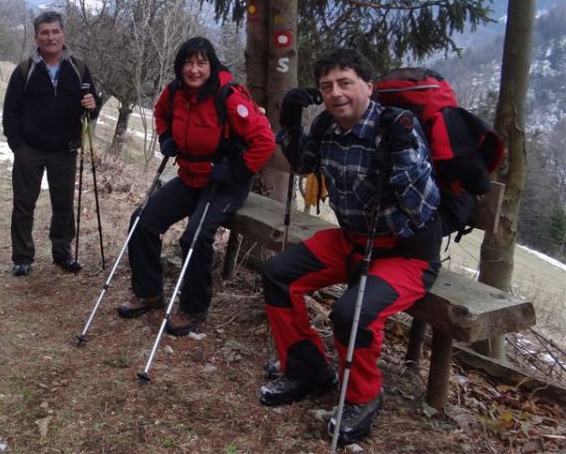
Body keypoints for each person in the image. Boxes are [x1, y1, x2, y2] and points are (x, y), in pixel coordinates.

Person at [261, 48, 442, 446]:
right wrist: (290, 120)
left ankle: (362, 396)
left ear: (368, 87)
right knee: (278, 275)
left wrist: (403, 156)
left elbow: (425, 208)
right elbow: (303, 164)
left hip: (406, 253)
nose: (335, 93)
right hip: (351, 241)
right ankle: (306, 368)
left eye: (345, 83)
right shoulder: (327, 126)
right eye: (327, 86)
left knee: (350, 314)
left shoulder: (396, 128)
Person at [117, 37, 275, 335]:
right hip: (191, 176)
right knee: (142, 221)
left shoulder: (229, 96)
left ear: (211, 65)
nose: (194, 70)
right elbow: (161, 113)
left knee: (195, 236)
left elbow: (265, 141)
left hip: (226, 183)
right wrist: (166, 138)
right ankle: (149, 292)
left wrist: (234, 170)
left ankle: (193, 307)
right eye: (188, 63)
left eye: (201, 63)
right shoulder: (175, 91)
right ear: (180, 66)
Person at [2, 10, 101, 276]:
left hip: (65, 149)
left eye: (55, 31)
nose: (51, 37)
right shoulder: (25, 69)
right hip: (30, 150)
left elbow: (91, 105)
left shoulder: (78, 68)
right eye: (45, 32)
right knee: (24, 204)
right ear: (36, 37)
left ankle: (62, 252)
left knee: (64, 204)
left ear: (63, 34)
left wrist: (94, 105)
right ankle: (22, 257)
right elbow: (10, 111)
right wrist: (17, 146)